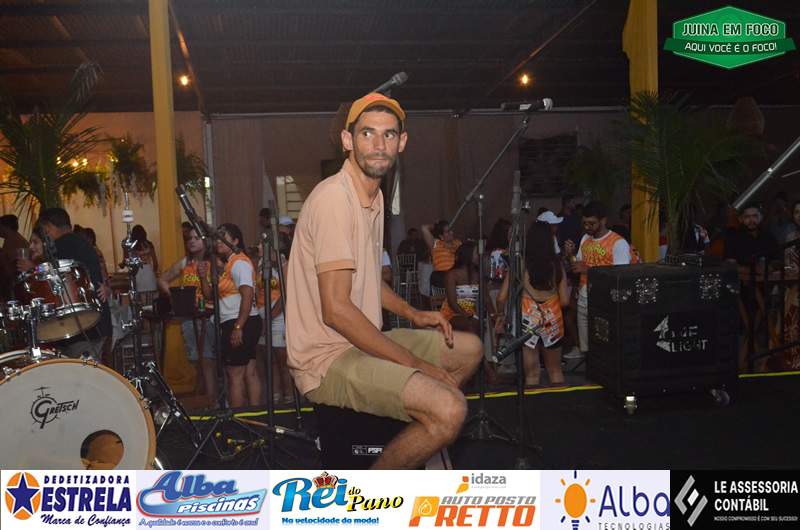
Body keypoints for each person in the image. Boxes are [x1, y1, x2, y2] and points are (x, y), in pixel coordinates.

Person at [285, 92, 482, 469]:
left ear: (401, 142)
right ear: (348, 140)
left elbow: (365, 278)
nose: (379, 144)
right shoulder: (334, 200)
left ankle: (412, 432)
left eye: (388, 134)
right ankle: (373, 491)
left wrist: (412, 313)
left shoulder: (372, 197)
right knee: (451, 409)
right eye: (367, 133)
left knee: (469, 349)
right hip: (325, 359)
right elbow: (336, 311)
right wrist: (416, 366)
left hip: (359, 340)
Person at [497, 221, 568, 387]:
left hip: (527, 319)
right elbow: (565, 301)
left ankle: (533, 403)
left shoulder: (519, 264)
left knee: (532, 374)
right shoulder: (557, 265)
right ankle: (561, 402)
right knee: (555, 371)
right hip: (553, 320)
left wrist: (500, 315)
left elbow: (501, 297)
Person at [36, 207, 112, 359]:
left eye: (44, 231)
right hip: (98, 321)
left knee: (81, 372)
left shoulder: (60, 247)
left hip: (79, 327)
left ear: (49, 227)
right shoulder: (83, 243)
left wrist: (34, 267)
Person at [200, 223, 262, 408]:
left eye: (223, 238)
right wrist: (203, 277)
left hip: (239, 321)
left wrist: (238, 327)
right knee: (249, 372)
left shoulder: (239, 263)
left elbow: (248, 295)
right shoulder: (229, 264)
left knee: (234, 375)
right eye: (216, 238)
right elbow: (210, 295)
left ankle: (239, 418)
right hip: (240, 321)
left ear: (235, 241)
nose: (218, 242)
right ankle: (254, 415)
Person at [563, 201, 631, 358]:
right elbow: (577, 266)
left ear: (603, 220)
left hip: (605, 301)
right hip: (584, 298)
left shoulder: (618, 242)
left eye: (592, 223)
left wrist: (588, 270)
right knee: (586, 346)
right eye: (584, 223)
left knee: (603, 345)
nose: (587, 227)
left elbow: (621, 275)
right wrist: (570, 255)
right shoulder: (585, 238)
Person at [158, 226, 216, 403]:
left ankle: (212, 399)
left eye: (196, 238)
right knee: (198, 360)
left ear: (205, 240)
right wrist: (176, 298)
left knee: (208, 359)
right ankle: (206, 398)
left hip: (210, 316)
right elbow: (162, 280)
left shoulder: (213, 262)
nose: (191, 241)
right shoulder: (185, 263)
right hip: (190, 317)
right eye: (189, 238)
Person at [724, 202, 778, 372]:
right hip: (742, 290)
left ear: (760, 218)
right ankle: (744, 364)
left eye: (755, 216)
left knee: (767, 318)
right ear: (741, 219)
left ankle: (765, 361)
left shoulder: (768, 236)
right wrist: (753, 271)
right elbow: (730, 264)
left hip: (766, 289)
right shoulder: (734, 237)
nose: (751, 220)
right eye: (747, 217)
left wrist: (769, 267)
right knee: (746, 325)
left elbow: (777, 259)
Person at [440, 241, 480, 334]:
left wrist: (494, 315)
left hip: (470, 312)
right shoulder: (452, 275)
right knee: (471, 326)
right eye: (476, 253)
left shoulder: (477, 274)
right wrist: (468, 316)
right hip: (452, 313)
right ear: (468, 255)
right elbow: (452, 303)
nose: (479, 256)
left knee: (479, 325)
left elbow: (486, 298)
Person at [422, 220, 462, 289]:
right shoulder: (436, 244)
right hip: (442, 275)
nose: (451, 233)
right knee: (451, 276)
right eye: (447, 231)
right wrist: (436, 226)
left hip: (456, 274)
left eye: (451, 230)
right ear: (441, 236)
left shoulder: (458, 243)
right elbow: (424, 228)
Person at [0, 214, 28, 300]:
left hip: (16, 283)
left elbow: (13, 265)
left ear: (5, 227)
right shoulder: (13, 238)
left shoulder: (13, 240)